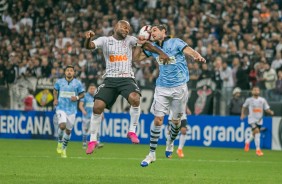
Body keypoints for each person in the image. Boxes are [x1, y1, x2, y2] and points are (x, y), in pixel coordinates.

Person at [84, 20, 169, 154]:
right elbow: (89, 46)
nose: (126, 30)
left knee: (135, 98)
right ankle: (93, 140)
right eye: (124, 27)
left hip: (127, 78)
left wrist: (161, 53)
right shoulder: (105, 40)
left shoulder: (130, 40)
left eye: (128, 29)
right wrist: (88, 38)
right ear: (116, 26)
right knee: (97, 106)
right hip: (110, 79)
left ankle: (132, 131)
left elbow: (146, 46)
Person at [133, 24, 205, 167]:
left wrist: (197, 56)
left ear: (163, 31)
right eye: (151, 31)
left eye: (155, 30)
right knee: (158, 120)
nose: (152, 33)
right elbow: (135, 58)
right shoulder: (153, 48)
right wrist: (139, 44)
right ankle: (151, 153)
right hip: (162, 88)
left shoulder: (175, 42)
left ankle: (170, 141)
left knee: (175, 122)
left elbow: (188, 50)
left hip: (179, 89)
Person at [53, 65, 85, 158]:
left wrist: (77, 97)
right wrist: (55, 99)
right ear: (65, 72)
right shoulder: (59, 82)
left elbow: (82, 94)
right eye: (67, 70)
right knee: (62, 126)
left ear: (74, 73)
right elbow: (55, 90)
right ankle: (59, 142)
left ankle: (64, 149)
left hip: (72, 110)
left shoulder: (77, 83)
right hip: (61, 108)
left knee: (68, 131)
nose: (69, 72)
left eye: (71, 70)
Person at [241, 86, 274, 156]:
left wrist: (270, 112)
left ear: (259, 92)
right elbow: (244, 107)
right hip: (251, 119)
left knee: (255, 133)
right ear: (252, 91)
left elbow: (266, 108)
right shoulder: (249, 100)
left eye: (257, 90)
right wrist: (242, 114)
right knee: (257, 132)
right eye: (254, 90)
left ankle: (247, 141)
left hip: (259, 120)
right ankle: (258, 150)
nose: (256, 91)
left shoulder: (262, 100)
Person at [79, 84, 104, 149]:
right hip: (86, 116)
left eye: (93, 89)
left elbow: (100, 107)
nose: (92, 90)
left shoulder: (97, 96)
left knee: (97, 129)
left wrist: (102, 114)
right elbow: (80, 105)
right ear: (88, 89)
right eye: (91, 88)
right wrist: (83, 111)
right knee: (85, 130)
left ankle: (97, 143)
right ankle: (84, 143)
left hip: (95, 116)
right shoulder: (85, 96)